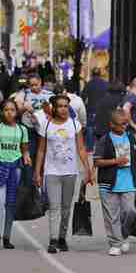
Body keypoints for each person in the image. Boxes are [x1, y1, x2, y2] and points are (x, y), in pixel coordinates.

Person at [34, 95, 93, 254]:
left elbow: (81, 148)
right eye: (60, 106)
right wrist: (37, 172)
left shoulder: (75, 125)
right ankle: (53, 240)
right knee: (54, 207)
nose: (63, 109)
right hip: (51, 172)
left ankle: (62, 237)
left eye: (66, 106)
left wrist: (88, 169)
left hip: (70, 172)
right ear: (54, 107)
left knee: (66, 208)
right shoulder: (46, 126)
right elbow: (41, 150)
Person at [93, 110, 136, 256]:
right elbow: (97, 161)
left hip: (128, 181)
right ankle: (115, 243)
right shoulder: (104, 140)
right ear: (111, 124)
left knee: (130, 211)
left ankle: (123, 234)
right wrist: (116, 161)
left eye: (126, 124)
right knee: (111, 216)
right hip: (108, 182)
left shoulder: (130, 138)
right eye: (121, 124)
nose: (124, 127)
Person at [0, 100, 31, 250]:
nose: (9, 113)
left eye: (12, 110)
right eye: (6, 110)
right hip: (0, 165)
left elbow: (24, 149)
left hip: (16, 168)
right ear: (1, 112)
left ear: (16, 112)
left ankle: (7, 237)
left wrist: (26, 156)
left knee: (11, 203)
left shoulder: (22, 129)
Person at [81, 68, 108, 152]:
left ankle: (90, 148)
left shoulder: (89, 84)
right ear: (100, 74)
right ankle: (102, 148)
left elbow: (83, 97)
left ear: (92, 74)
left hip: (91, 109)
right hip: (103, 110)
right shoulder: (106, 84)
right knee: (104, 128)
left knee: (90, 129)